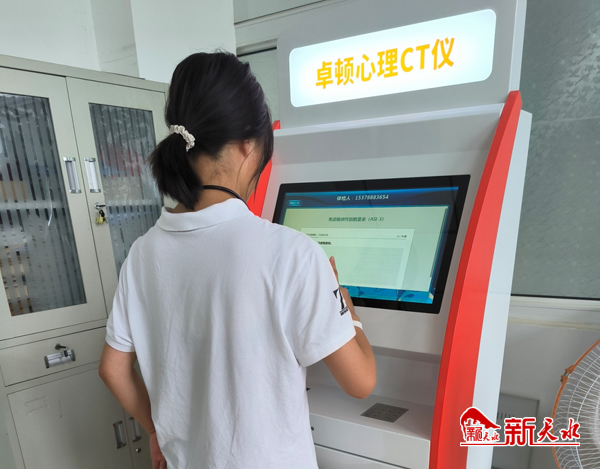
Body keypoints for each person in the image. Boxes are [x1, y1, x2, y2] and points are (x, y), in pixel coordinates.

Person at [98, 52, 376, 469]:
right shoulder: (293, 253)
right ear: (249, 143)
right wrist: (348, 310)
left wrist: (156, 430)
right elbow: (361, 382)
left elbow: (113, 369)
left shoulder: (141, 253)